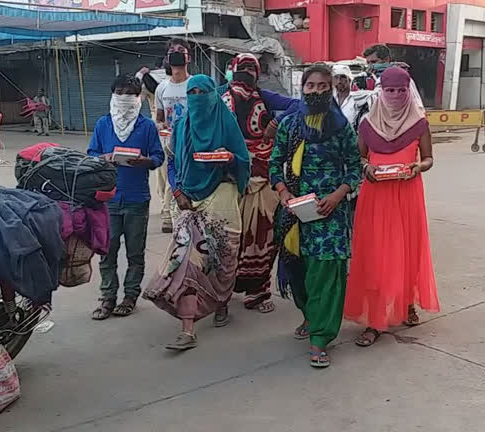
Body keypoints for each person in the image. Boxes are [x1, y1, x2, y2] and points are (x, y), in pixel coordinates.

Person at [143, 75, 251, 351]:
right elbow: (172, 162)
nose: (197, 97)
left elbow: (243, 160)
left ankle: (221, 301)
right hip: (189, 198)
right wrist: (177, 191)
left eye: (203, 92)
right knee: (186, 261)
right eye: (192, 92)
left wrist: (229, 159)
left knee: (222, 257)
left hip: (222, 194)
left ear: (214, 95)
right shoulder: (181, 127)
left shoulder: (226, 124)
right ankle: (188, 326)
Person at [269, 64, 361, 369]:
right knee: (299, 272)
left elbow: (354, 166)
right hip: (296, 212)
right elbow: (274, 164)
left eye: (324, 86)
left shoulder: (341, 127)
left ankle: (320, 338)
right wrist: (284, 196)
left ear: (331, 89)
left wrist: (337, 196)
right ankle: (309, 314)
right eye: (312, 86)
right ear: (302, 88)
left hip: (330, 213)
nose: (317, 91)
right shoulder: (289, 125)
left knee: (326, 275)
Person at [344, 66, 439, 347]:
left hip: (407, 194)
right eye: (390, 90)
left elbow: (429, 158)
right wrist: (367, 168)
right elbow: (358, 158)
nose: (396, 96)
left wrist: (416, 167)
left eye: (401, 90)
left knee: (407, 249)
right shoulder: (368, 125)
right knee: (374, 255)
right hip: (375, 197)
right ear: (381, 92)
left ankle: (406, 303)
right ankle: (375, 321)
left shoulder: (419, 123)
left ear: (408, 91)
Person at [222, 53, 299, 313]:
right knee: (233, 236)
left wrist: (276, 121)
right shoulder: (220, 95)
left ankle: (260, 290)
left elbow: (299, 105)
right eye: (241, 70)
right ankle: (226, 287)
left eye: (250, 70)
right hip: (230, 177)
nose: (246, 76)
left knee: (263, 237)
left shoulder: (265, 97)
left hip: (264, 178)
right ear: (232, 71)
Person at [88, 74, 165, 320]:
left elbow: (158, 157)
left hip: (136, 198)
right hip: (108, 199)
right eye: (120, 93)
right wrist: (105, 158)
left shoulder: (147, 126)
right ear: (113, 96)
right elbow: (91, 154)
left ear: (138, 98)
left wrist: (144, 161)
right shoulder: (103, 125)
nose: (125, 99)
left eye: (130, 94)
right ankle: (107, 297)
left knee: (135, 252)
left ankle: (130, 295)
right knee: (106, 251)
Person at [155, 39, 192, 233]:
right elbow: (159, 117)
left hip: (192, 142)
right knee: (170, 180)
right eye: (172, 50)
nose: (176, 53)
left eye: (181, 50)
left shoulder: (194, 84)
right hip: (169, 143)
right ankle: (168, 216)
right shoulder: (161, 88)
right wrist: (161, 127)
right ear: (167, 59)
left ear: (189, 57)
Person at [363, 44, 425, 112]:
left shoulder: (402, 77)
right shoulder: (366, 78)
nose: (370, 66)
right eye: (368, 63)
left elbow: (416, 103)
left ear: (386, 59)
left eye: (373, 62)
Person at [333, 64, 378, 131]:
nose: (339, 81)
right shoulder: (330, 100)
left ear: (349, 79)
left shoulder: (358, 97)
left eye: (343, 77)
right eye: (336, 77)